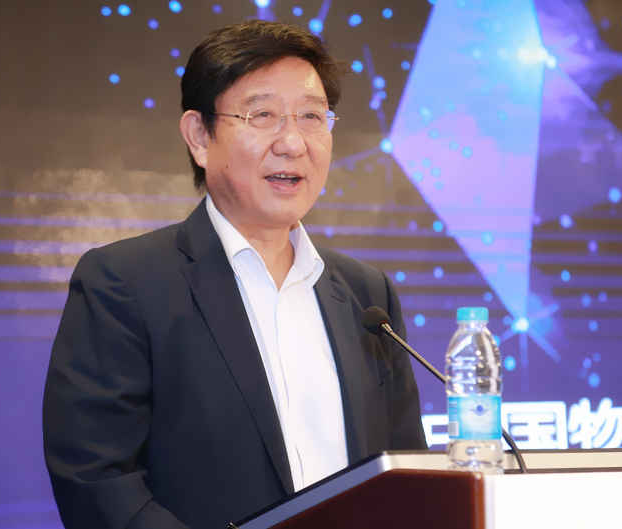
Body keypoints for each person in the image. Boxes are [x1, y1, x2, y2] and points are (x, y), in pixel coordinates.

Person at [43, 19, 426, 529]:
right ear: (200, 136)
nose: (293, 142)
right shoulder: (124, 283)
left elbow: (406, 472)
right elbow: (97, 482)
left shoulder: (366, 295)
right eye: (262, 115)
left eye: (312, 116)